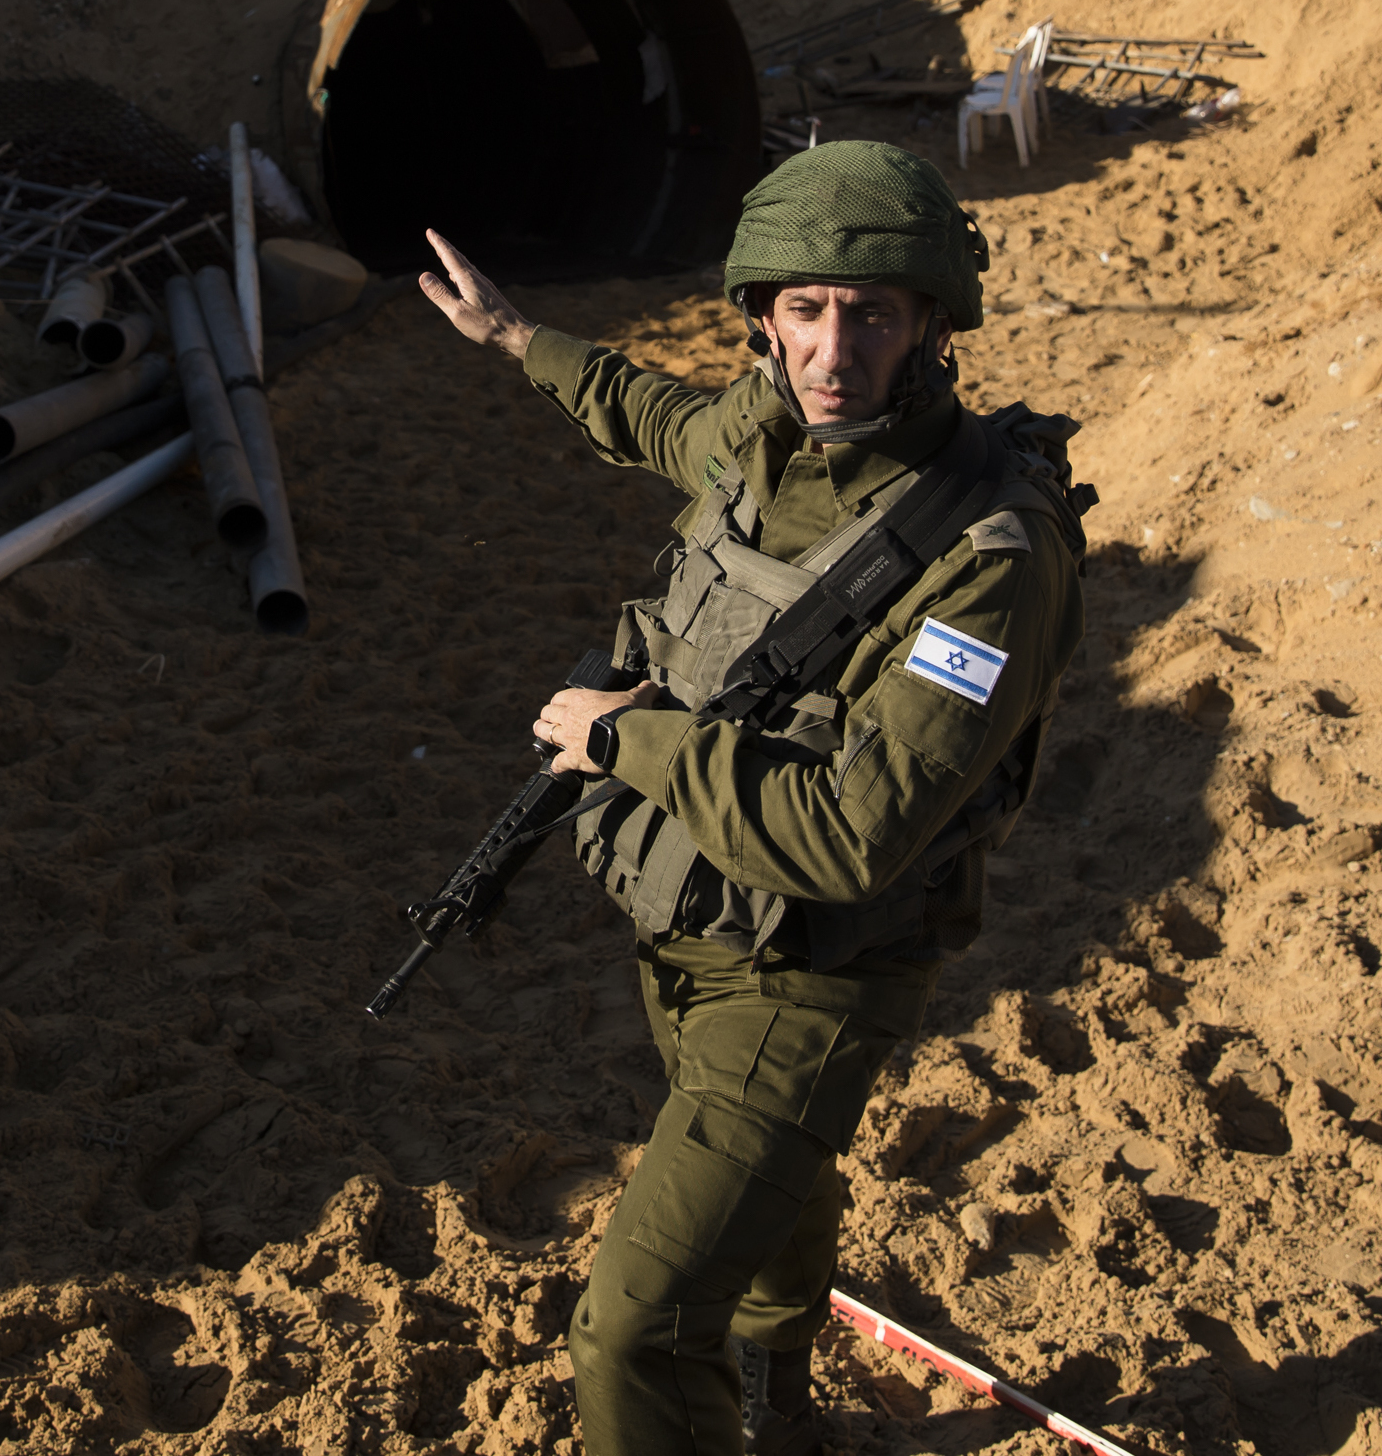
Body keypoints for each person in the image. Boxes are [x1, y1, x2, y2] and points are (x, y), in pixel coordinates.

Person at [418, 141, 1090, 1456]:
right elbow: (655, 418)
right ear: (764, 319)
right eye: (804, 309)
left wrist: (630, 741)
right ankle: (778, 1396)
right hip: (692, 923)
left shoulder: (988, 560)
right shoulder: (762, 432)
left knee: (632, 1333)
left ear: (931, 326)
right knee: (768, 1203)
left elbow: (853, 831)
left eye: (873, 311)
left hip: (820, 972)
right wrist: (516, 337)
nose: (834, 348)